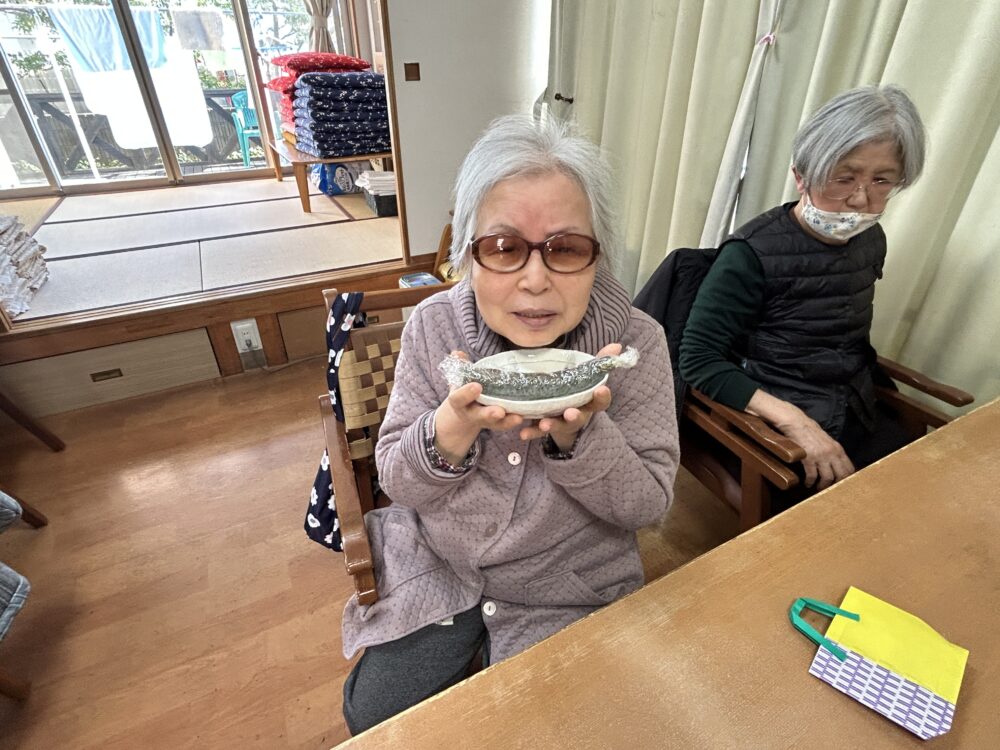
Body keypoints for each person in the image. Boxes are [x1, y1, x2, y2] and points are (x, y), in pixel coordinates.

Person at [340, 115, 680, 733]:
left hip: (569, 585)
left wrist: (580, 436)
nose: (535, 279)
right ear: (467, 255)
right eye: (503, 248)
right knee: (377, 718)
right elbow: (398, 480)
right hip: (440, 565)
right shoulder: (433, 327)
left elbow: (647, 506)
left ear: (598, 255)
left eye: (566, 248)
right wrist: (449, 429)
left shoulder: (637, 345)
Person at [679, 84, 926, 495]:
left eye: (882, 180)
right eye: (843, 178)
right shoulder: (749, 254)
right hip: (769, 424)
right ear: (800, 176)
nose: (860, 199)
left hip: (853, 405)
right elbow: (698, 360)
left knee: (922, 488)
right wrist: (796, 422)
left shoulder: (870, 239)